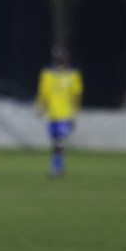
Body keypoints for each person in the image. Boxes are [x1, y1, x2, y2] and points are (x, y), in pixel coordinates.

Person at [36, 45, 83, 177]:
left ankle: (55, 168)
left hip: (65, 115)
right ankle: (59, 168)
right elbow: (43, 93)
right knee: (56, 143)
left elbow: (76, 95)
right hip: (52, 115)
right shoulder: (47, 74)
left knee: (59, 143)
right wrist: (41, 107)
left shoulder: (72, 75)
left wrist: (74, 113)